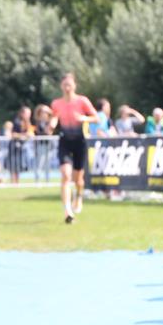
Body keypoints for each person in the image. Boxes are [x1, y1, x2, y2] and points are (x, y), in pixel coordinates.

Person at [50, 72, 98, 223]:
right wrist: (52, 122)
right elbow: (55, 116)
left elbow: (96, 118)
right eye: (65, 85)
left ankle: (79, 196)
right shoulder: (56, 103)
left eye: (69, 85)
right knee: (65, 175)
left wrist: (84, 118)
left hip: (80, 141)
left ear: (74, 85)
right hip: (64, 140)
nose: (67, 87)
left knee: (78, 179)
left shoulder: (82, 101)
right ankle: (67, 211)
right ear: (61, 86)